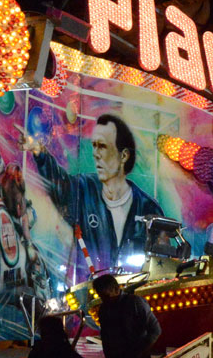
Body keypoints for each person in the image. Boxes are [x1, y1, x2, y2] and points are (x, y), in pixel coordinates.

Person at [22, 113, 164, 273]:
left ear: (124, 155)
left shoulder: (149, 210)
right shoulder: (84, 189)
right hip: (93, 292)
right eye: (94, 146)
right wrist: (40, 153)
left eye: (103, 146)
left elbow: (162, 264)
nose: (96, 154)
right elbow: (59, 183)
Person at [92, 274, 161, 358]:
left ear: (116, 289)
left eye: (106, 296)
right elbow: (105, 337)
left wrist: (140, 352)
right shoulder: (104, 309)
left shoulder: (135, 303)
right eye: (102, 297)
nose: (105, 301)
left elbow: (155, 330)